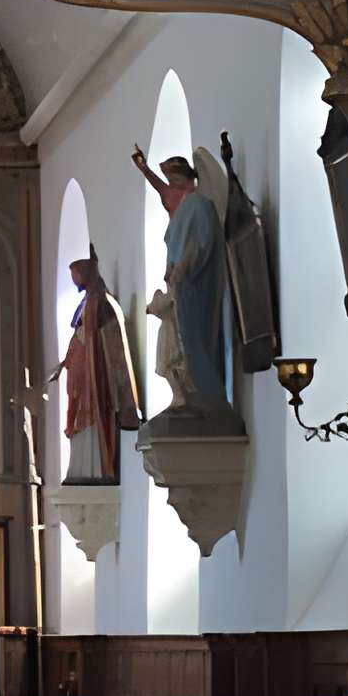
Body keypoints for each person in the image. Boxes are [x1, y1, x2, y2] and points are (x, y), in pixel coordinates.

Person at [132, 148, 232, 419]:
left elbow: (200, 243)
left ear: (190, 179)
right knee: (180, 341)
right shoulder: (182, 209)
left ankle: (205, 396)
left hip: (196, 285)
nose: (171, 187)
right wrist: (170, 269)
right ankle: (188, 394)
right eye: (170, 181)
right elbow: (174, 245)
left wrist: (182, 268)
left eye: (176, 181)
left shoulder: (200, 205)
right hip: (181, 285)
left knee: (195, 339)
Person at [56, 254, 141, 481]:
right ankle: (81, 468)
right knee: (76, 415)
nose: (74, 280)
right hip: (81, 371)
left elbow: (108, 343)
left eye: (76, 275)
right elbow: (79, 335)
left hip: (94, 375)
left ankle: (94, 468)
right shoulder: (87, 303)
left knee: (90, 414)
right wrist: (67, 360)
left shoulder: (100, 302)